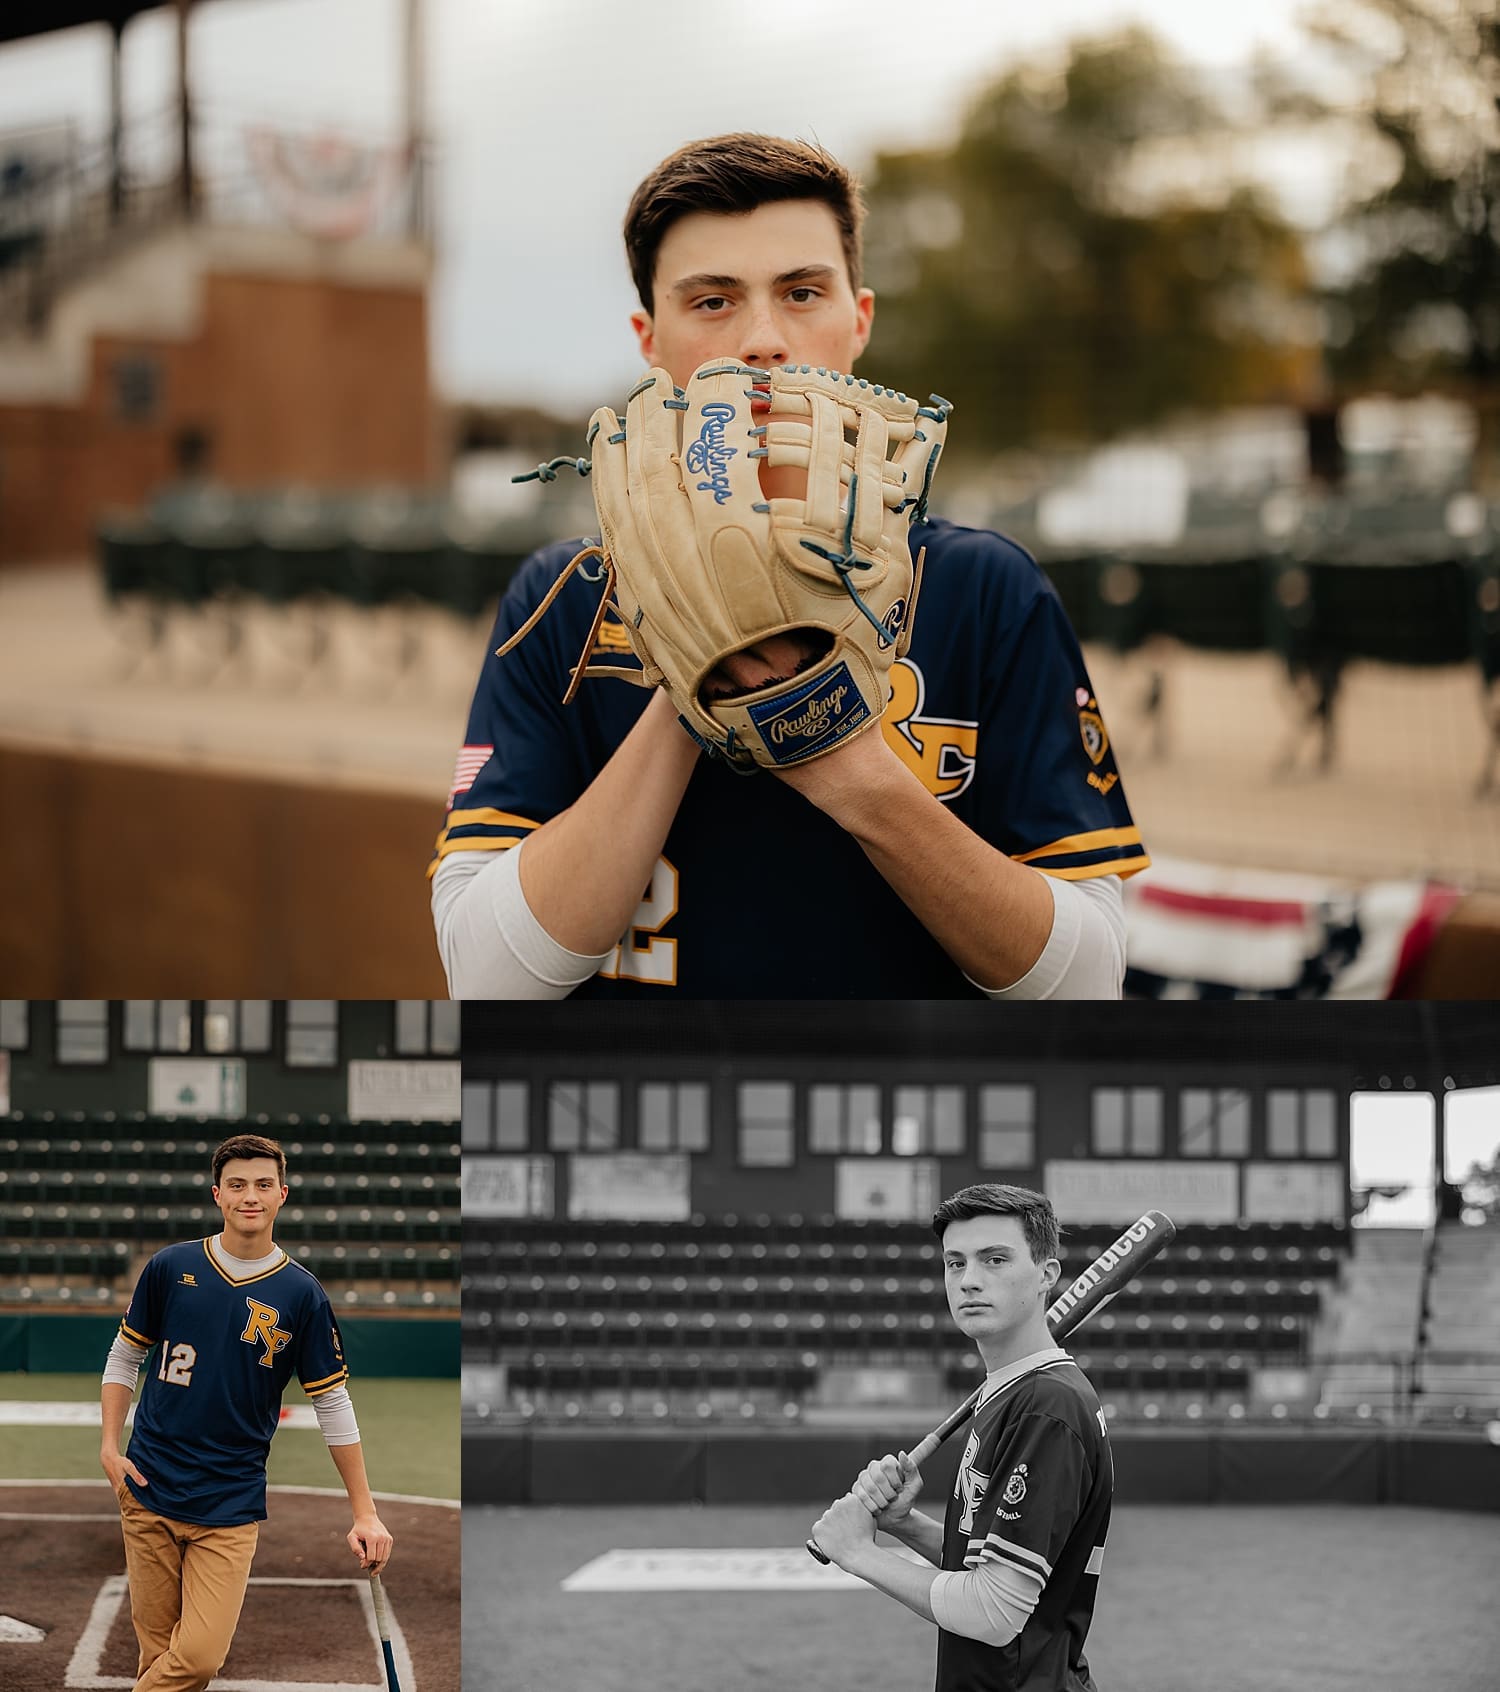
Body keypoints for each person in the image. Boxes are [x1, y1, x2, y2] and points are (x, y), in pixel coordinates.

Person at [431, 133, 1148, 998]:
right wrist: (696, 672)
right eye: (712, 301)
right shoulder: (569, 597)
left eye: (803, 292)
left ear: (860, 319)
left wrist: (832, 745)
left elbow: (1086, 985)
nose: (764, 339)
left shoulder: (984, 587)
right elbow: (486, 982)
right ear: (649, 341)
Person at [99, 1134, 394, 1692]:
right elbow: (125, 1354)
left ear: (282, 1194)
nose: (249, 1196)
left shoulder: (302, 1294)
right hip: (148, 1484)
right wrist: (110, 1448)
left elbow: (331, 1401)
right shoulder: (171, 1266)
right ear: (218, 1194)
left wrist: (365, 1511)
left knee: (198, 1661)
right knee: (158, 1658)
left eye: (262, 1185)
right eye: (237, 1185)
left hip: (229, 1499)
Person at [810, 1184, 1112, 1692]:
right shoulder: (1013, 1394)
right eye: (955, 1263)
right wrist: (905, 1525)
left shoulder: (1046, 1408)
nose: (970, 1280)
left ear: (1048, 1275)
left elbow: (993, 1613)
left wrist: (859, 1552)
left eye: (995, 1260)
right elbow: (988, 1563)